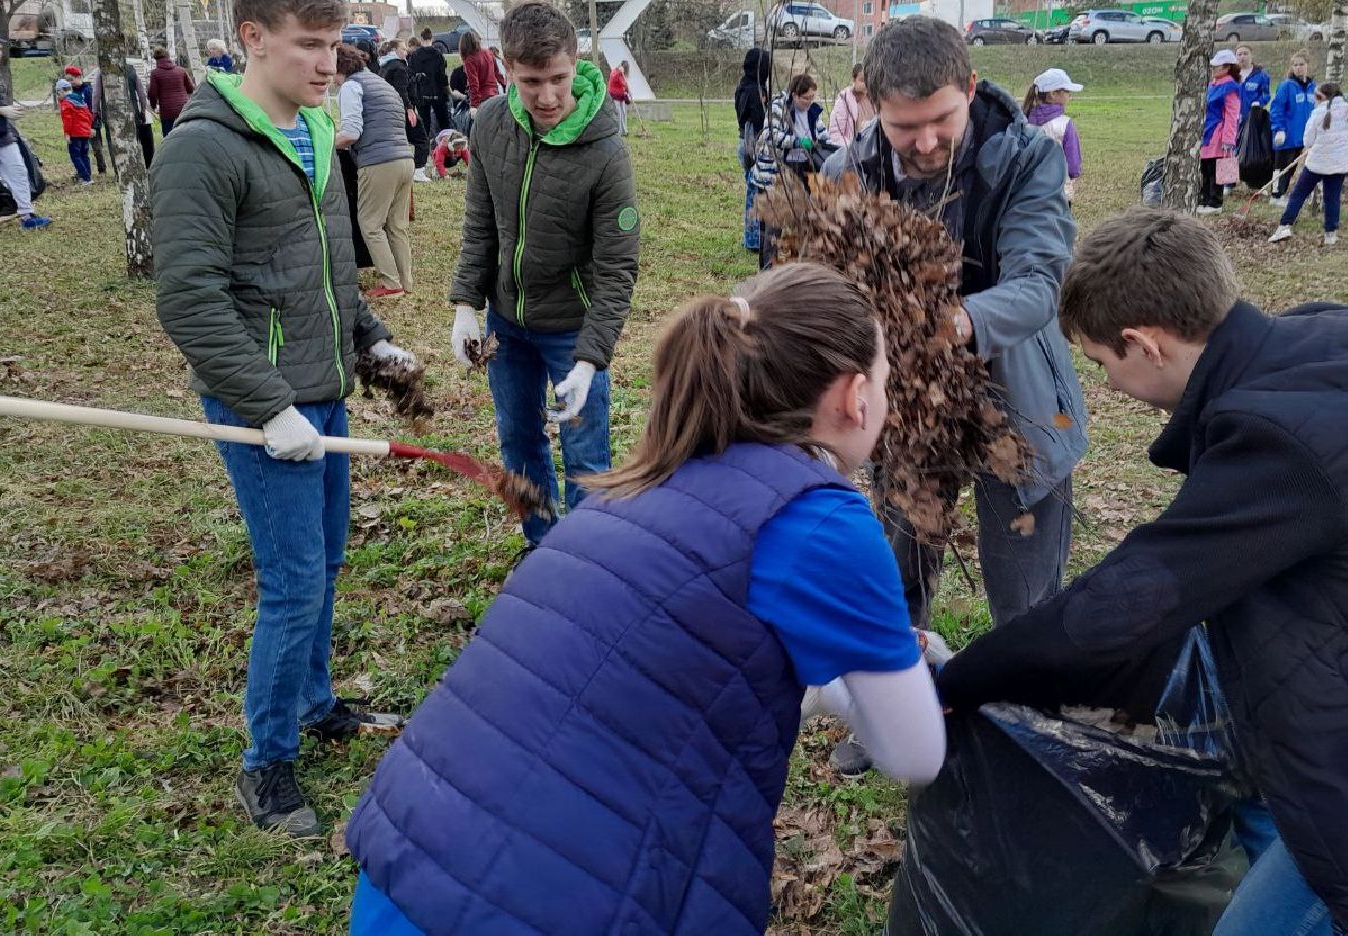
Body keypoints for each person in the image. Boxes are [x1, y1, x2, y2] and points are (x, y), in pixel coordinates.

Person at [348, 263, 947, 935]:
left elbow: (681, 671)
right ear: (857, 396)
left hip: (404, 868)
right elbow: (914, 753)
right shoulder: (823, 520)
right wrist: (899, 675)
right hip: (539, 911)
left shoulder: (634, 484)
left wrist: (832, 690)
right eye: (888, 382)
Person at [934, 207, 1348, 936]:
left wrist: (958, 679)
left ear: (1145, 343)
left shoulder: (1277, 443)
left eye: (1102, 364)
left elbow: (1122, 605)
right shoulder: (1335, 332)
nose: (1103, 386)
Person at [150, 0, 417, 838]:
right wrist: (266, 406)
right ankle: (266, 763)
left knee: (329, 564)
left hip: (324, 392)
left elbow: (328, 271)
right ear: (252, 39)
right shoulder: (203, 147)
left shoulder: (310, 133)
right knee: (294, 583)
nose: (328, 63)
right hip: (263, 406)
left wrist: (371, 338)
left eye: (335, 45)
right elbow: (187, 299)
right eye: (310, 45)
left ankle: (315, 703)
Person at [821, 14, 1087, 774]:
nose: (927, 142)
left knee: (1025, 590)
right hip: (907, 411)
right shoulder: (848, 171)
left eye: (942, 120)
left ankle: (1021, 725)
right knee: (899, 567)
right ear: (870, 102)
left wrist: (952, 322)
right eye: (907, 127)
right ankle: (889, 709)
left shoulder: (1026, 159)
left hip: (1019, 402)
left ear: (970, 89)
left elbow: (1039, 282)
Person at [448, 0, 640, 547]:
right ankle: (543, 545)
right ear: (507, 70)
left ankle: (586, 560)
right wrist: (467, 306)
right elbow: (480, 224)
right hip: (508, 326)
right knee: (518, 440)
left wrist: (588, 360)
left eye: (558, 78)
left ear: (575, 62)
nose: (548, 96)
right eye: (532, 82)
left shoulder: (606, 152)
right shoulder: (489, 125)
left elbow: (618, 266)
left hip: (572, 332)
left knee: (584, 452)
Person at [334, 43, 415, 298]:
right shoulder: (381, 83)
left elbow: (351, 133)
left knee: (370, 224)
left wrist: (323, 140)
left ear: (339, 68)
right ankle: (406, 282)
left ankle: (391, 285)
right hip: (405, 159)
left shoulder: (351, 86)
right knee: (397, 225)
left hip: (378, 163)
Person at [1268, 82, 1348, 245]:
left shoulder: (1317, 113)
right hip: (1339, 165)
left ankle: (1284, 226)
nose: (1315, 100)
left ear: (1323, 97)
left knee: (1298, 194)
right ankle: (1330, 234)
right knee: (1332, 198)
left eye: (1317, 97)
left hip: (1316, 164)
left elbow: (1307, 140)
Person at [0, 30, 48, 229]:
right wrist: (0, 110)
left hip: (4, 136)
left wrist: (9, 111)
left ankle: (27, 216)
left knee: (19, 172)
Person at [1021, 66, 1083, 202]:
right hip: (1059, 195)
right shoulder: (1065, 125)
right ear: (1053, 94)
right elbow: (1074, 168)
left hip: (1028, 195)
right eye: (1067, 91)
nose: (1070, 95)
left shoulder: (1024, 122)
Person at [734, 46, 771, 251]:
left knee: (753, 191)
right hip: (752, 146)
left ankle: (752, 237)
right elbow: (759, 120)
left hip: (743, 142)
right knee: (755, 192)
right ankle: (753, 239)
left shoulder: (743, 87)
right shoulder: (754, 91)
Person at [1196, 48, 1241, 213]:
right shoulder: (1212, 84)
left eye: (1217, 66)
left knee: (1216, 169)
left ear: (1227, 67)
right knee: (1205, 167)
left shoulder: (1230, 87)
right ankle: (1204, 199)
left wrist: (1229, 139)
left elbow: (1232, 115)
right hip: (1207, 132)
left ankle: (1216, 203)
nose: (1213, 69)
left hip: (1219, 134)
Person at [765, 72, 831, 184]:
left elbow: (824, 134)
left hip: (809, 164)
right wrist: (797, 142)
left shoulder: (812, 111)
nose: (810, 102)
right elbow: (770, 136)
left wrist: (827, 146)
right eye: (806, 98)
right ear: (795, 96)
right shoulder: (778, 108)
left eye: (812, 97)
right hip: (783, 168)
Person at [379, 39, 430, 182]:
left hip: (387, 112)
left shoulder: (384, 66)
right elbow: (401, 91)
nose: (406, 51)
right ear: (394, 51)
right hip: (402, 110)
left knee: (397, 143)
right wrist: (409, 109)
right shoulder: (400, 68)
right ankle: (418, 171)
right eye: (402, 48)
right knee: (422, 139)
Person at [1268, 48, 1315, 205]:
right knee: (1281, 166)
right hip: (1286, 134)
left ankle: (1284, 191)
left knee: (1292, 167)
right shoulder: (1286, 86)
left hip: (1302, 136)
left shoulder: (1312, 86)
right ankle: (1276, 194)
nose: (1298, 67)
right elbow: (1276, 108)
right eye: (1295, 65)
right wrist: (1279, 129)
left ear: (1307, 65)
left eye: (1301, 64)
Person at [89, 61, 155, 169]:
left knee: (113, 140)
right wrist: (142, 111)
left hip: (109, 113)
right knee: (132, 138)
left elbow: (96, 94)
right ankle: (134, 166)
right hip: (131, 112)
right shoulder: (131, 70)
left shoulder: (102, 72)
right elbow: (142, 94)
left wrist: (95, 111)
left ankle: (118, 170)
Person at [63, 65, 107, 175]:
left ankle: (102, 168)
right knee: (80, 149)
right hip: (77, 127)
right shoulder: (70, 92)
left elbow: (93, 108)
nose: (70, 83)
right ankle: (82, 170)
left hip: (91, 123)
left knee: (96, 147)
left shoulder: (87, 90)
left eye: (71, 80)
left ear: (78, 77)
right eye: (67, 81)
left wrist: (91, 125)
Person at [408, 26, 450, 136]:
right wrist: (448, 90)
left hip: (421, 94)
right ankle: (445, 145)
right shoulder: (438, 55)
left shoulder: (415, 55)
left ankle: (426, 148)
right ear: (432, 39)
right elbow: (442, 76)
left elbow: (411, 76)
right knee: (444, 123)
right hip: (438, 93)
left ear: (421, 39)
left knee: (424, 124)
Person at [449, 27, 500, 117]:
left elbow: (474, 84)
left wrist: (474, 106)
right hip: (495, 95)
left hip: (482, 98)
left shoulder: (470, 60)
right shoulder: (488, 52)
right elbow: (497, 74)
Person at [147, 45, 195, 136]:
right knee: (185, 136)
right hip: (183, 108)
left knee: (169, 138)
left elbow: (153, 93)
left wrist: (153, 106)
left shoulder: (155, 73)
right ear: (168, 57)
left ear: (156, 59)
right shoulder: (181, 70)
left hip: (167, 111)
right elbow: (191, 88)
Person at [54, 77, 93, 183]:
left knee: (75, 156)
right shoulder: (80, 99)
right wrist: (89, 128)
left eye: (58, 93)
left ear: (62, 90)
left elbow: (68, 120)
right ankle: (88, 176)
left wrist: (67, 133)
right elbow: (89, 115)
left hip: (75, 134)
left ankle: (85, 177)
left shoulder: (66, 103)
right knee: (85, 155)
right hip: (85, 132)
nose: (58, 96)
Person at [828, 61, 868, 147]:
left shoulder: (874, 101)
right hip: (849, 153)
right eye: (862, 80)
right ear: (854, 80)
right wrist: (851, 147)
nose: (866, 84)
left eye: (868, 80)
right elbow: (835, 134)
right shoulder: (844, 100)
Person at [1235, 44, 1271, 133]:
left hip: (1253, 119)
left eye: (1245, 54)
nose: (1242, 57)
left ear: (1251, 55)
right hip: (1234, 120)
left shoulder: (1261, 75)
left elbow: (1266, 95)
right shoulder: (1231, 75)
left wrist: (1259, 103)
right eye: (1239, 54)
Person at [607, 59, 631, 136]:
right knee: (618, 113)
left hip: (621, 96)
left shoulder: (622, 74)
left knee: (623, 112)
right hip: (615, 96)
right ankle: (619, 132)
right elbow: (613, 78)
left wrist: (627, 90)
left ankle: (625, 131)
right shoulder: (615, 72)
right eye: (625, 68)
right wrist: (619, 72)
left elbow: (623, 84)